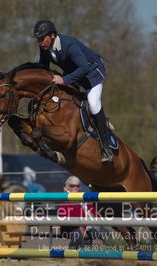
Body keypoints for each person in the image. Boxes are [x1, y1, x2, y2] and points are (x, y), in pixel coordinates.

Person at [33, 20, 112, 163]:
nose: (39, 42)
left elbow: (84, 68)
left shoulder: (70, 45)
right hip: (74, 74)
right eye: (37, 39)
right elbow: (43, 68)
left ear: (51, 35)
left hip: (91, 74)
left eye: (41, 38)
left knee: (93, 103)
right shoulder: (44, 48)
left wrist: (64, 80)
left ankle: (106, 148)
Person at [57, 176, 96, 249]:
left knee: (96, 232)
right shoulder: (64, 197)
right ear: (67, 186)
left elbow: (92, 210)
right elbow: (64, 216)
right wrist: (81, 228)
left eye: (77, 186)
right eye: (72, 186)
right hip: (69, 227)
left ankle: (86, 252)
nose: (75, 188)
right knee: (78, 234)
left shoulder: (81, 196)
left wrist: (101, 218)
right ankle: (71, 254)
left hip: (83, 226)